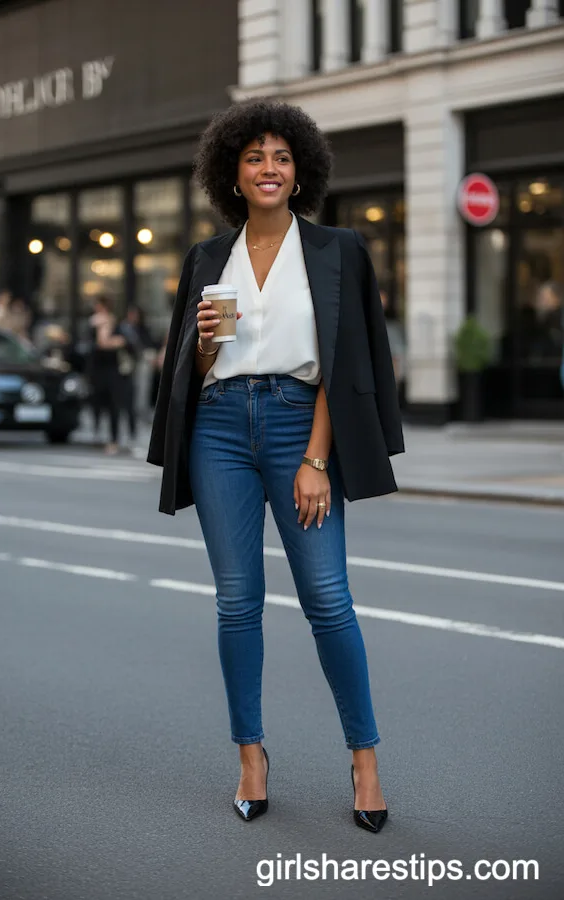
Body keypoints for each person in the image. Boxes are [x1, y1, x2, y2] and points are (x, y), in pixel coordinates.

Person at [147, 100, 404, 831]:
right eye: (255, 156)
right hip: (221, 428)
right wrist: (200, 344)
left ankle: (364, 761)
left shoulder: (337, 250)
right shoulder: (206, 258)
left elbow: (342, 361)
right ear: (232, 171)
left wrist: (317, 457)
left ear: (300, 174)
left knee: (329, 600)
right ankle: (251, 755)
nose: (269, 168)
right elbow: (189, 373)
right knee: (237, 604)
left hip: (298, 422)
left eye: (282, 157)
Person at [87, 296, 129, 456]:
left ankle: (113, 440)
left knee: (114, 406)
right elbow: (99, 344)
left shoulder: (117, 324)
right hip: (97, 370)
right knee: (96, 402)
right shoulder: (92, 324)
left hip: (113, 370)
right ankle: (97, 433)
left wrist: (109, 337)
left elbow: (122, 342)